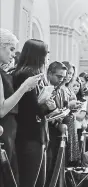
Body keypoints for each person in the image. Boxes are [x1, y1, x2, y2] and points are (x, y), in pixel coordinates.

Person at [13, 39, 57, 187]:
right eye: (46, 53)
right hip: (29, 135)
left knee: (38, 181)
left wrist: (46, 104)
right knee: (30, 181)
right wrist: (47, 106)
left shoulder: (33, 74)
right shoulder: (25, 75)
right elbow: (30, 109)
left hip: (37, 134)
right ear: (37, 55)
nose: (48, 57)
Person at [0, 29, 41, 187]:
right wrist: (25, 87)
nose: (13, 55)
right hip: (4, 128)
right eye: (10, 49)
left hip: (10, 130)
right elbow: (2, 109)